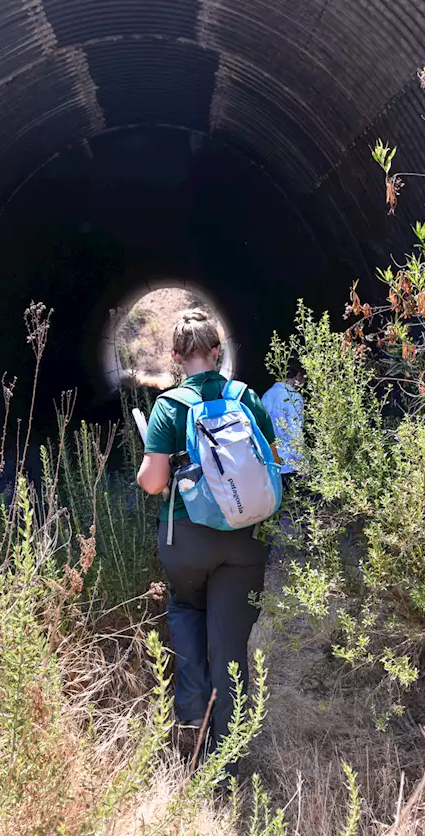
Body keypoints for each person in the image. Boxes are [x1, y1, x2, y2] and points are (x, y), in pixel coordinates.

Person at [137, 309, 279, 768]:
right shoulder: (247, 397)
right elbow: (270, 465)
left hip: (187, 542)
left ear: (177, 357)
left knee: (186, 614)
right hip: (245, 540)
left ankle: (191, 733)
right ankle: (229, 757)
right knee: (230, 643)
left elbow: (154, 482)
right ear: (218, 352)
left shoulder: (169, 407)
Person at [261, 359, 305, 488]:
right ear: (298, 376)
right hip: (290, 465)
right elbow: (296, 433)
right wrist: (302, 463)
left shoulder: (267, 395)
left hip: (272, 463)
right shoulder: (293, 397)